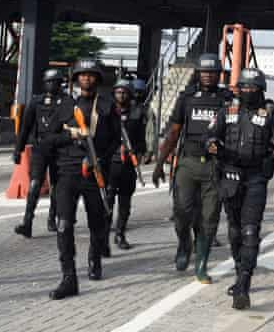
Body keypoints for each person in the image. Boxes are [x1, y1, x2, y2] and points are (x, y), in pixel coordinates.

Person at [207, 68, 274, 309]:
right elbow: (211, 136)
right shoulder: (227, 110)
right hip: (230, 176)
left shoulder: (272, 115)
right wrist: (212, 144)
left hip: (256, 178)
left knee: (250, 231)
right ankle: (238, 269)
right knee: (234, 231)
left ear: (261, 89)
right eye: (243, 87)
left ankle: (244, 284)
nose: (248, 91)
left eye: (252, 87)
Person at [41, 58, 121, 299]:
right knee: (64, 225)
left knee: (98, 223)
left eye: (91, 75)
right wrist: (72, 137)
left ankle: (95, 257)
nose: (86, 78)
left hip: (95, 173)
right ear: (75, 79)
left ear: (97, 79)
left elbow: (115, 139)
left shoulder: (106, 106)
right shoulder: (65, 106)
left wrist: (100, 160)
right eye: (82, 75)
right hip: (67, 173)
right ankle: (69, 278)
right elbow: (48, 140)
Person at [152, 53, 230, 283]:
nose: (208, 75)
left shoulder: (227, 99)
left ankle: (201, 265)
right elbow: (174, 132)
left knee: (209, 218)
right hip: (188, 162)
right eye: (204, 71)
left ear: (218, 74)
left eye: (212, 72)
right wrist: (159, 164)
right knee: (182, 212)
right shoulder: (187, 98)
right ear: (198, 73)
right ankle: (184, 243)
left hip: (215, 166)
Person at [13, 68, 67, 237]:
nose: (51, 85)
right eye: (49, 82)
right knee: (35, 184)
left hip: (60, 149)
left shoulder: (67, 102)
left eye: (55, 82)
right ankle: (27, 222)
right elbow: (25, 127)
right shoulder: (36, 102)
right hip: (40, 148)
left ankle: (53, 217)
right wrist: (18, 149)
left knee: (57, 186)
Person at [107, 79, 147, 250]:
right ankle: (103, 236)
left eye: (124, 92)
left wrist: (136, 152)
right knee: (107, 201)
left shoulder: (137, 113)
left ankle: (120, 234)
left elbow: (141, 141)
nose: (121, 95)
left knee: (124, 203)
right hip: (110, 164)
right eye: (118, 92)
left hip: (128, 165)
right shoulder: (107, 113)